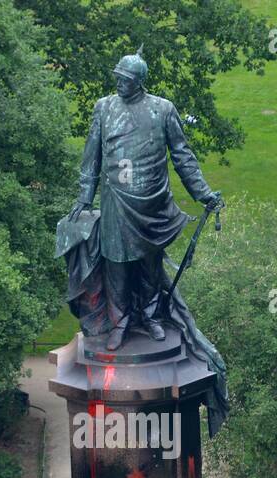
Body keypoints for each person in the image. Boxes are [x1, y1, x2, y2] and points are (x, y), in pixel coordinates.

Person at [68, 47, 223, 351]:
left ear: (139, 81)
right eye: (118, 77)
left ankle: (151, 317)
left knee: (150, 264)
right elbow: (92, 156)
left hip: (152, 203)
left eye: (125, 79)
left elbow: (182, 156)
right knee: (116, 265)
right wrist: (85, 197)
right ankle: (121, 321)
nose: (119, 83)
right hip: (116, 202)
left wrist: (202, 192)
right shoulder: (104, 108)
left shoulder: (163, 110)